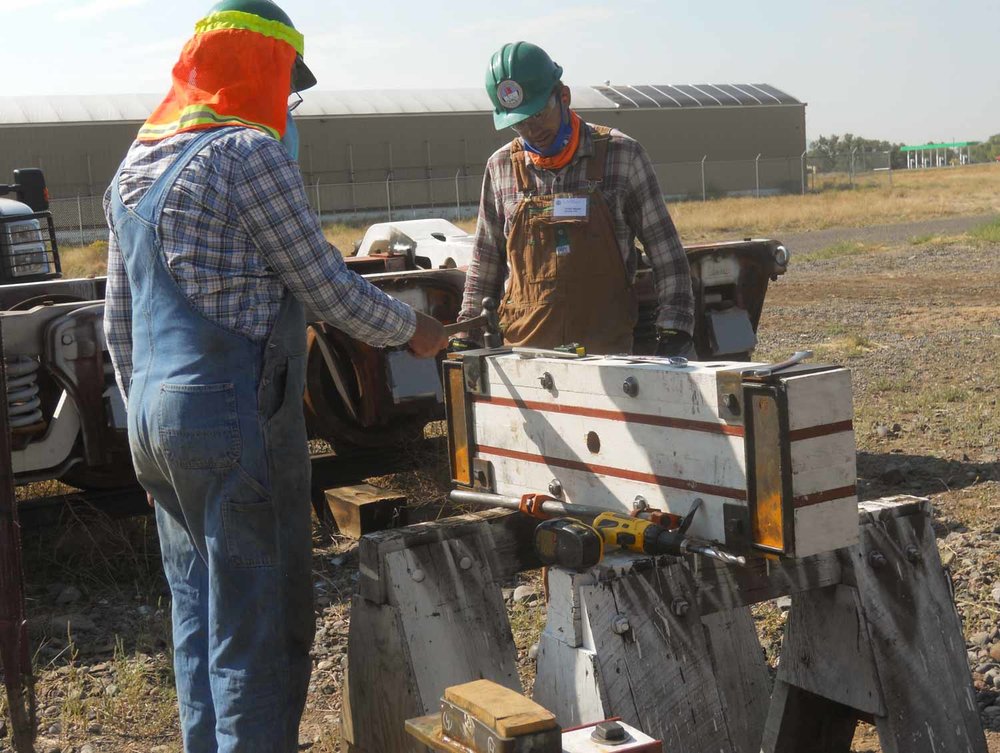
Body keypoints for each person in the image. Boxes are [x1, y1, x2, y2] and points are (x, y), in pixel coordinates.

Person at [103, 1, 446, 749]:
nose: (287, 106)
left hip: (154, 426)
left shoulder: (135, 164)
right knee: (257, 623)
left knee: (196, 613)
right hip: (231, 421)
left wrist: (150, 418)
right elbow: (324, 284)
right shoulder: (247, 155)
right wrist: (413, 329)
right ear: (260, 66)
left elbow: (115, 324)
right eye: (287, 84)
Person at [457, 42, 695, 356]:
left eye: (539, 114)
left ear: (564, 96)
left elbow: (667, 253)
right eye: (519, 122)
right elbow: (485, 262)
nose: (531, 130)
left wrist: (674, 327)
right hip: (527, 358)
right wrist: (466, 332)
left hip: (608, 354)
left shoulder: (622, 156)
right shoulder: (500, 167)